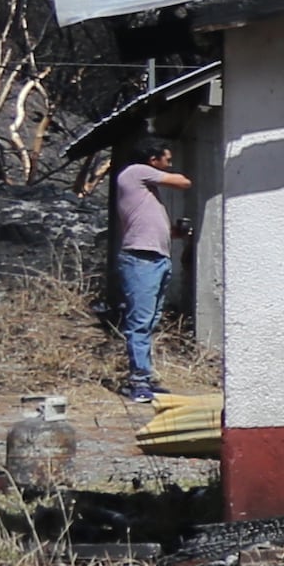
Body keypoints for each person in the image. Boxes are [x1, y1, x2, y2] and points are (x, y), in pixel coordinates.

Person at [109, 137, 189, 402]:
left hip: (155, 259)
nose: (169, 165)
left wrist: (174, 232)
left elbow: (149, 227)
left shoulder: (146, 193)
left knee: (149, 322)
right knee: (140, 323)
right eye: (166, 160)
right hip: (141, 260)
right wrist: (169, 175)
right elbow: (183, 182)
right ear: (152, 160)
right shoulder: (135, 171)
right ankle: (138, 381)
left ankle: (144, 376)